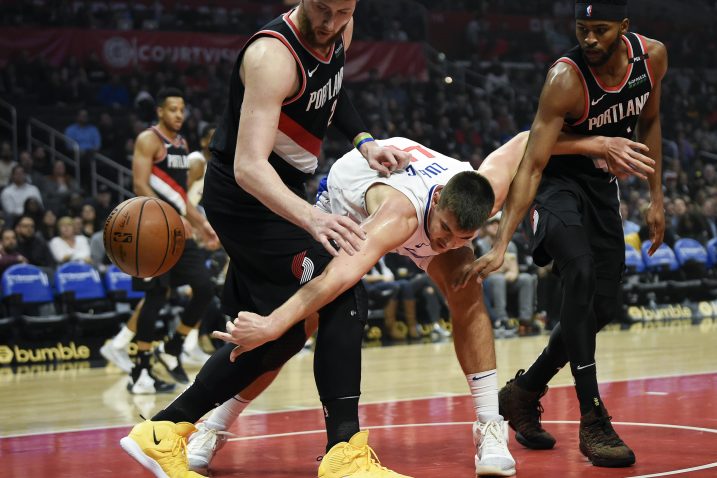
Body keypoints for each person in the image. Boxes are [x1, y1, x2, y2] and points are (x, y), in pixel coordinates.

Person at [192, 131, 649, 476]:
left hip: (423, 189)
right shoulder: (398, 216)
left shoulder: (479, 194)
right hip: (345, 209)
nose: (448, 241)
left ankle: (489, 426)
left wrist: (597, 143)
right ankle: (216, 422)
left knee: (468, 292)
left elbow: (528, 140)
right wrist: (273, 323)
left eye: (462, 236)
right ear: (439, 205)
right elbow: (339, 277)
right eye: (446, 228)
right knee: (306, 323)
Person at [120, 1, 412, 477]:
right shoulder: (271, 56)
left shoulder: (340, 25)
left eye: (343, 12)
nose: (331, 23)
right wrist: (311, 220)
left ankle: (164, 430)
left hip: (282, 193)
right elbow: (248, 167)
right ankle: (344, 456)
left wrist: (365, 140)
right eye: (322, 8)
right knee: (343, 290)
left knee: (281, 331)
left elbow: (333, 89)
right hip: (247, 201)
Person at [459, 0, 667, 468]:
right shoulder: (565, 78)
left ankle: (526, 389)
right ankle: (592, 419)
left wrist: (656, 198)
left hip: (600, 188)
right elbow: (532, 158)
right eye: (582, 28)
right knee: (580, 270)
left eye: (600, 29)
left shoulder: (652, 58)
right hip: (555, 184)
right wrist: (499, 242)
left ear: (624, 27)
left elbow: (651, 121)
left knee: (604, 306)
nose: (589, 38)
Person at [116, 87, 219, 395]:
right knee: (157, 296)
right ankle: (140, 371)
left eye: (182, 109)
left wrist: (202, 225)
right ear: (160, 111)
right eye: (173, 109)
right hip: (152, 232)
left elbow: (183, 197)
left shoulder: (183, 145)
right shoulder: (148, 139)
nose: (179, 114)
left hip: (177, 231)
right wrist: (171, 218)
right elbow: (139, 183)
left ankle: (173, 347)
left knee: (205, 287)